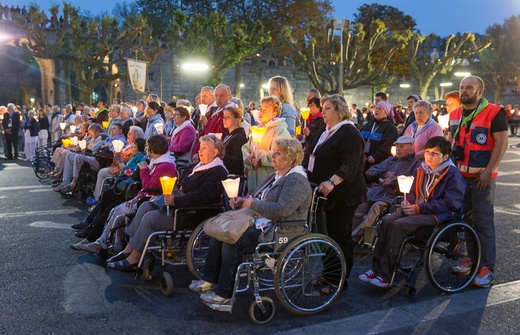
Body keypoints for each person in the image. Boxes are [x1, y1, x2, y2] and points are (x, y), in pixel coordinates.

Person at [190, 138, 312, 303]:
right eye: (273, 152)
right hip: (261, 222)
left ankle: (224, 293)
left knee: (232, 241)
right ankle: (209, 280)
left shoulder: (296, 180)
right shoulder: (276, 175)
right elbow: (256, 198)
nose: (272, 156)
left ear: (290, 159)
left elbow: (282, 210)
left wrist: (252, 204)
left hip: (280, 229)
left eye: (278, 153)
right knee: (221, 233)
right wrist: (243, 201)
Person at [107, 135, 228, 270]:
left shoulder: (217, 171)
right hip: (180, 205)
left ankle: (134, 258)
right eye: (200, 148)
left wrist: (176, 199)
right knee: (146, 205)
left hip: (192, 213)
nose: (199, 151)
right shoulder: (198, 166)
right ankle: (128, 249)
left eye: (204, 148)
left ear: (215, 152)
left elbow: (202, 196)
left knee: (150, 218)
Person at [360, 136, 466, 288]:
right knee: (387, 221)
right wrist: (408, 202)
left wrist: (418, 208)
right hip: (419, 209)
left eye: (435, 153)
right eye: (428, 152)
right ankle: (375, 268)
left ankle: (386, 274)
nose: (429, 156)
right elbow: (411, 193)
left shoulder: (452, 175)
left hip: (439, 215)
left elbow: (450, 204)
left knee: (399, 225)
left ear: (446, 157)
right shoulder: (421, 170)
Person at [448, 76, 508, 288]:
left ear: (480, 92)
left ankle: (486, 268)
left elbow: (502, 143)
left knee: (483, 223)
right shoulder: (454, 114)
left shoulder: (493, 112)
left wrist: (488, 171)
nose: (464, 91)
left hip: (482, 178)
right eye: (462, 87)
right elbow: (451, 143)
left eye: (470, 88)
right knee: (466, 222)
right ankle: (472, 260)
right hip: (460, 178)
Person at [305, 95, 367, 288]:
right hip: (323, 192)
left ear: (340, 111)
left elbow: (350, 163)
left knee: (340, 235)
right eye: (323, 108)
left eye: (328, 108)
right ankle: (329, 273)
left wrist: (332, 181)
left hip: (343, 194)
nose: (323, 111)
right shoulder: (325, 132)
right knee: (327, 235)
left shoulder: (349, 133)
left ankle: (339, 279)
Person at [77, 135, 177, 254]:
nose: (146, 149)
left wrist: (144, 170)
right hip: (145, 197)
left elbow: (150, 188)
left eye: (147, 147)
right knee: (115, 208)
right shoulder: (157, 162)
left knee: (119, 210)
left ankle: (104, 242)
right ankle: (111, 242)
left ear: (151, 149)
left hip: (154, 201)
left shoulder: (165, 165)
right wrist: (138, 196)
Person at [351, 136, 421, 243]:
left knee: (376, 208)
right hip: (377, 192)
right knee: (360, 207)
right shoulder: (390, 160)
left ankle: (354, 238)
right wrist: (383, 173)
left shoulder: (416, 163)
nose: (398, 149)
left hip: (395, 196)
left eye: (402, 147)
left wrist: (394, 180)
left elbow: (414, 180)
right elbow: (370, 171)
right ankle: (347, 235)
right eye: (397, 146)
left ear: (411, 148)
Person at [242, 97, 291, 194]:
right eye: (261, 109)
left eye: (266, 110)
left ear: (274, 113)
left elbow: (280, 154)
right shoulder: (259, 128)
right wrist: (250, 160)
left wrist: (257, 155)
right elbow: (245, 148)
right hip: (253, 183)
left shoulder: (280, 130)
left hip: (268, 182)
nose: (261, 112)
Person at [360, 101, 399, 172]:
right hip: (363, 160)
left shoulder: (390, 127)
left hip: (378, 163)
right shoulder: (369, 124)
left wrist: (376, 156)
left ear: (386, 112)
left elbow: (387, 145)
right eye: (376, 108)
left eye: (380, 109)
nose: (376, 110)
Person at [222, 106, 248, 175]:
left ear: (236, 120)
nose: (224, 119)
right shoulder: (228, 135)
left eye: (228, 117)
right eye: (224, 117)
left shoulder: (238, 137)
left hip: (234, 176)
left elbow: (239, 161)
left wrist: (223, 155)